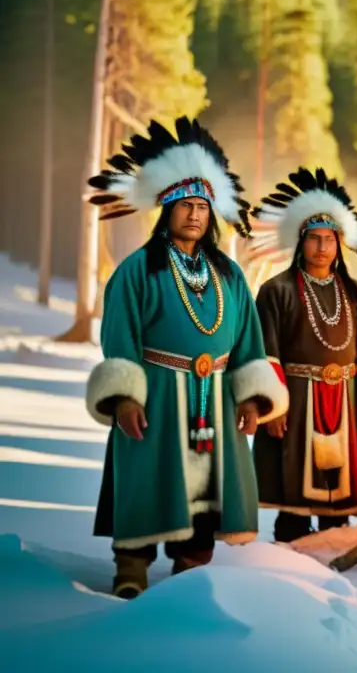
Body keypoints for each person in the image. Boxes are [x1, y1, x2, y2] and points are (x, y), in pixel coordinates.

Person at [84, 116, 289, 598]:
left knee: (207, 494)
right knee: (143, 480)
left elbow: (247, 342)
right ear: (166, 209)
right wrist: (125, 398)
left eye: (202, 206)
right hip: (154, 394)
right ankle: (131, 569)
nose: (194, 214)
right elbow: (119, 337)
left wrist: (252, 398)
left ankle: (191, 573)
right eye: (184, 205)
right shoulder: (138, 270)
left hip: (214, 397)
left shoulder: (230, 276)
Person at [247, 167, 357, 542]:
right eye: (313, 239)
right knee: (294, 499)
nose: (321, 247)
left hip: (346, 404)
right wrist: (272, 406)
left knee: (339, 498)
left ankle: (335, 550)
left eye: (329, 239)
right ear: (300, 243)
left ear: (340, 244)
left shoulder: (356, 294)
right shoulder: (277, 291)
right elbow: (263, 351)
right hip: (296, 401)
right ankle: (290, 558)